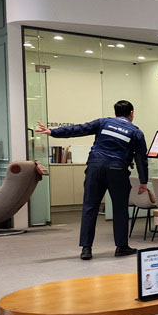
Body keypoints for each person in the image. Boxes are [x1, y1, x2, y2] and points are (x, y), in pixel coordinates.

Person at [36, 100, 148, 260]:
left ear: (115, 112)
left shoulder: (103, 123)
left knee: (90, 206)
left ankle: (86, 249)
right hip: (117, 170)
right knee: (120, 209)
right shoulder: (136, 132)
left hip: (95, 167)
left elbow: (79, 129)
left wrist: (53, 132)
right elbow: (141, 158)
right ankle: (121, 247)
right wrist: (143, 181)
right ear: (131, 113)